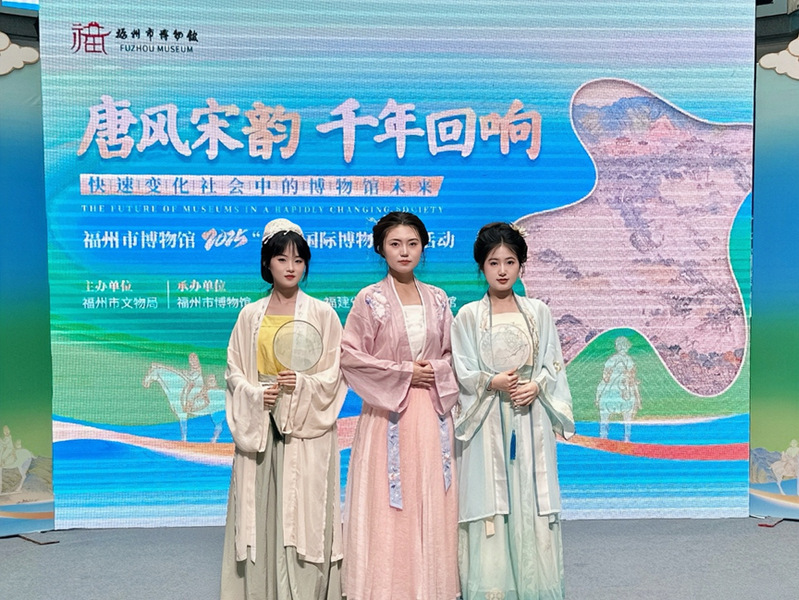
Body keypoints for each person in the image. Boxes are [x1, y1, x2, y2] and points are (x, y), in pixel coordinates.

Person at [220, 218, 347, 600]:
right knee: (260, 512)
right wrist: (256, 395)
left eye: (298, 260)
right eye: (282, 259)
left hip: (305, 429)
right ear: (267, 263)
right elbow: (234, 372)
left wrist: (303, 384)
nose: (291, 267)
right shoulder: (250, 315)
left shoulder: (323, 313)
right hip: (262, 428)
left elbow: (335, 373)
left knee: (305, 512)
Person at [451, 222, 575, 600]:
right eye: (493, 263)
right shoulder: (468, 316)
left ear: (521, 265)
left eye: (510, 262)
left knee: (532, 501)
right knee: (492, 506)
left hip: (530, 416)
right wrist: (492, 382)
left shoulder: (538, 312)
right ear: (481, 267)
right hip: (487, 421)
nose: (502, 271)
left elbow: (553, 364)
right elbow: (462, 371)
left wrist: (537, 386)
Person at [341, 211, 460, 600]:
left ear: (424, 247)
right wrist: (405, 372)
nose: (404, 251)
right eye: (395, 244)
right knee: (390, 501)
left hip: (431, 411)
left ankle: (430, 587)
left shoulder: (438, 299)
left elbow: (454, 356)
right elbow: (350, 357)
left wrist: (433, 370)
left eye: (412, 243)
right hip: (388, 414)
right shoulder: (370, 299)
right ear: (381, 249)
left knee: (430, 495)